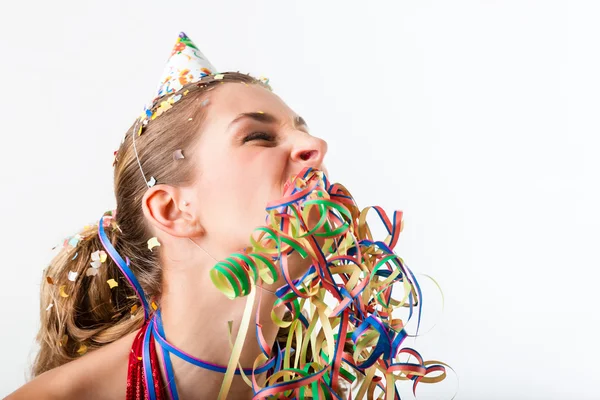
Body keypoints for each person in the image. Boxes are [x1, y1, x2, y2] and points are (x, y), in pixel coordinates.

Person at [6, 32, 331, 399]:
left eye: (303, 132)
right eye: (259, 136)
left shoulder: (333, 383)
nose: (315, 146)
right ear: (173, 210)